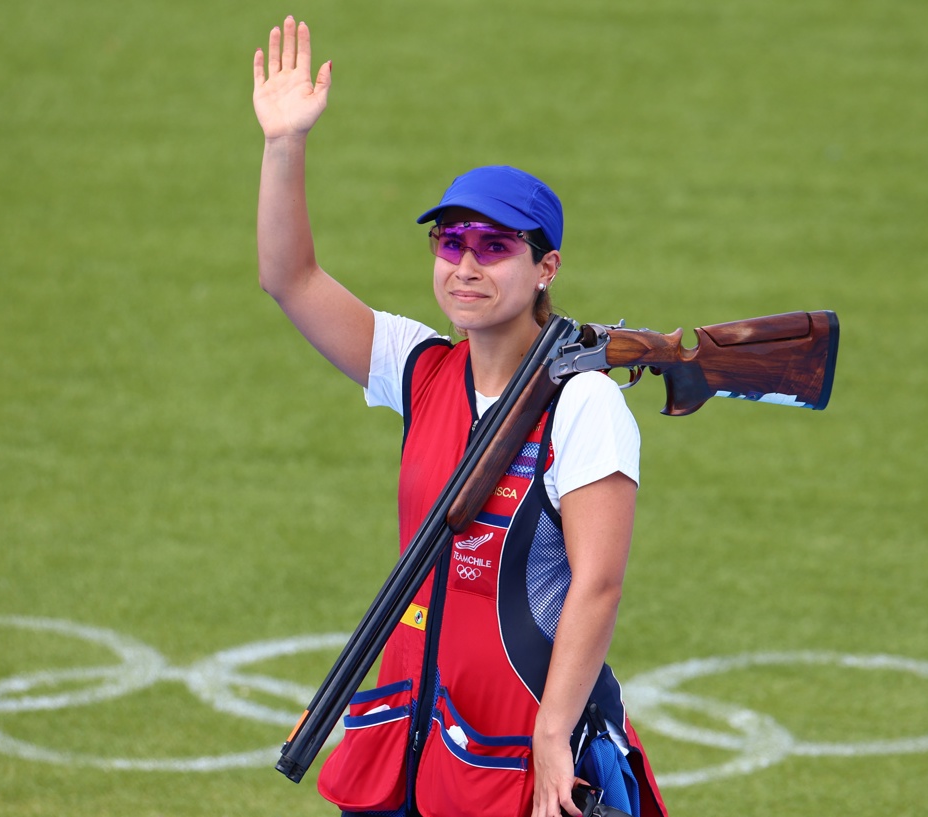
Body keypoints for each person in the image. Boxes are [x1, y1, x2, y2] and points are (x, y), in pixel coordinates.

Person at [252, 17, 667, 817]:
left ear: (545, 267)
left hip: (521, 750)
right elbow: (290, 278)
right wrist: (284, 144)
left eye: (494, 244)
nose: (466, 264)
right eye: (450, 242)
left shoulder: (584, 401)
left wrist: (553, 734)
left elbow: (599, 582)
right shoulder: (420, 367)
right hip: (409, 742)